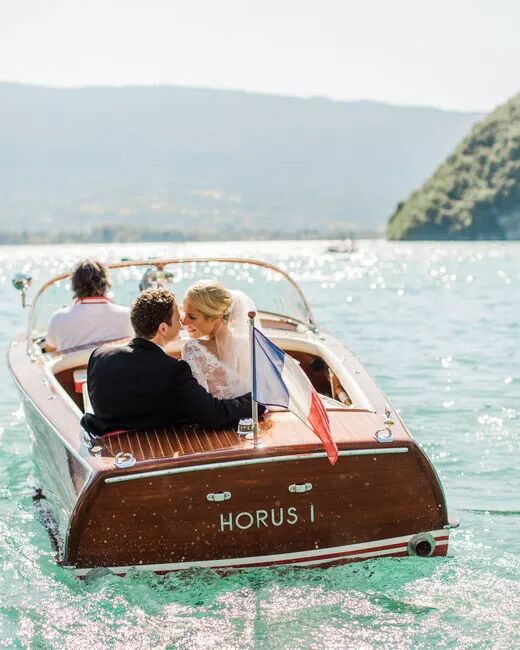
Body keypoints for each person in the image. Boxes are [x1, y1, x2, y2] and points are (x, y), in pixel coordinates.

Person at [80, 288, 261, 437]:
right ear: (163, 328)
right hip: (155, 450)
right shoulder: (173, 370)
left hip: (108, 447)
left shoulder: (99, 357)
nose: (182, 323)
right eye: (177, 318)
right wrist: (256, 401)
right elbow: (215, 415)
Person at [181, 280, 259, 399]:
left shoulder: (192, 349)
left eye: (192, 317)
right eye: (184, 314)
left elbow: (199, 404)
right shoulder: (251, 345)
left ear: (215, 317)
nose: (184, 322)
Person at [46, 259, 133, 352]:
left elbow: (50, 349)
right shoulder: (128, 315)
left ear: (75, 285)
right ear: (105, 283)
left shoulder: (58, 318)